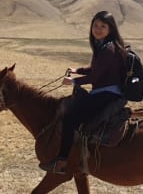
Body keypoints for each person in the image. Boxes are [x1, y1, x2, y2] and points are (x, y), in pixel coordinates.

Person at [40, 11, 128, 174]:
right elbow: (97, 70)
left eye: (103, 26)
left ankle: (62, 161)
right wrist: (77, 70)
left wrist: (73, 81)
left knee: (69, 119)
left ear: (111, 29)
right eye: (95, 25)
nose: (98, 29)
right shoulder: (105, 46)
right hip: (105, 92)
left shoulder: (108, 49)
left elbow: (95, 76)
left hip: (106, 94)